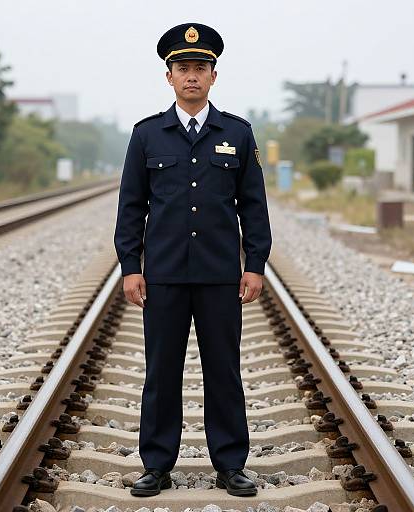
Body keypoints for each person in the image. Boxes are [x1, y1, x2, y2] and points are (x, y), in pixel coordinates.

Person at [113, 22, 272, 497]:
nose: (191, 76)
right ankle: (157, 465)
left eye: (200, 68)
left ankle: (230, 464)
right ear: (169, 76)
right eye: (182, 68)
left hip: (220, 275)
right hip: (162, 275)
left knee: (223, 369)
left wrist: (255, 264)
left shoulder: (237, 134)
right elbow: (130, 206)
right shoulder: (147, 136)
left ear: (213, 76)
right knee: (162, 372)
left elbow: (254, 205)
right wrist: (131, 267)